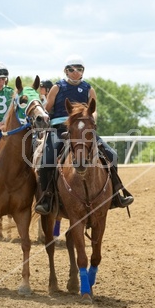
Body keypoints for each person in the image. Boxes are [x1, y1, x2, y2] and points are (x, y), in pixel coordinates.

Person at [34, 55, 134, 215]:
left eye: (79, 69)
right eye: (73, 69)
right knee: (47, 160)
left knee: (112, 155)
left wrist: (91, 122)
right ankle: (47, 198)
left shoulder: (89, 89)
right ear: (66, 71)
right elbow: (47, 107)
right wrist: (41, 114)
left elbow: (94, 110)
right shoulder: (57, 87)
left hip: (85, 130)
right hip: (59, 129)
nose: (76, 72)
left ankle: (116, 193)